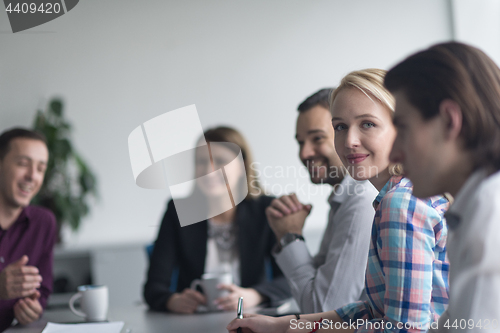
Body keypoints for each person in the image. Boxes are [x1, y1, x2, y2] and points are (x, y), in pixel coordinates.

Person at [227, 69, 450, 333]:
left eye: (367, 123)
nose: (349, 141)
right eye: (340, 127)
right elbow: (370, 309)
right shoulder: (393, 197)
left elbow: (403, 329)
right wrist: (282, 325)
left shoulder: (399, 205)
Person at [385, 42, 500, 332]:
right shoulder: (474, 203)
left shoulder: (490, 210)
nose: (393, 153)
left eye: (403, 127)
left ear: (449, 120)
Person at [144, 126, 291, 314]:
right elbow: (153, 287)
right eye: (201, 162)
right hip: (194, 323)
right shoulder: (178, 212)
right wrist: (173, 300)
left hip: (252, 320)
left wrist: (255, 295)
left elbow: (289, 279)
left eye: (220, 161)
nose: (209, 170)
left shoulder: (266, 210)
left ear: (242, 166)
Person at [265, 89, 378, 313]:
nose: (304, 153)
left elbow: (324, 312)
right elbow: (318, 286)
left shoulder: (361, 201)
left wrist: (290, 238)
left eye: (317, 138)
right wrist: (288, 237)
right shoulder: (342, 199)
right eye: (300, 142)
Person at [0, 128, 56, 331]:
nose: (32, 176)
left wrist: (32, 308)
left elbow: (43, 291)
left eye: (40, 169)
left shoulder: (44, 223)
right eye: (23, 164)